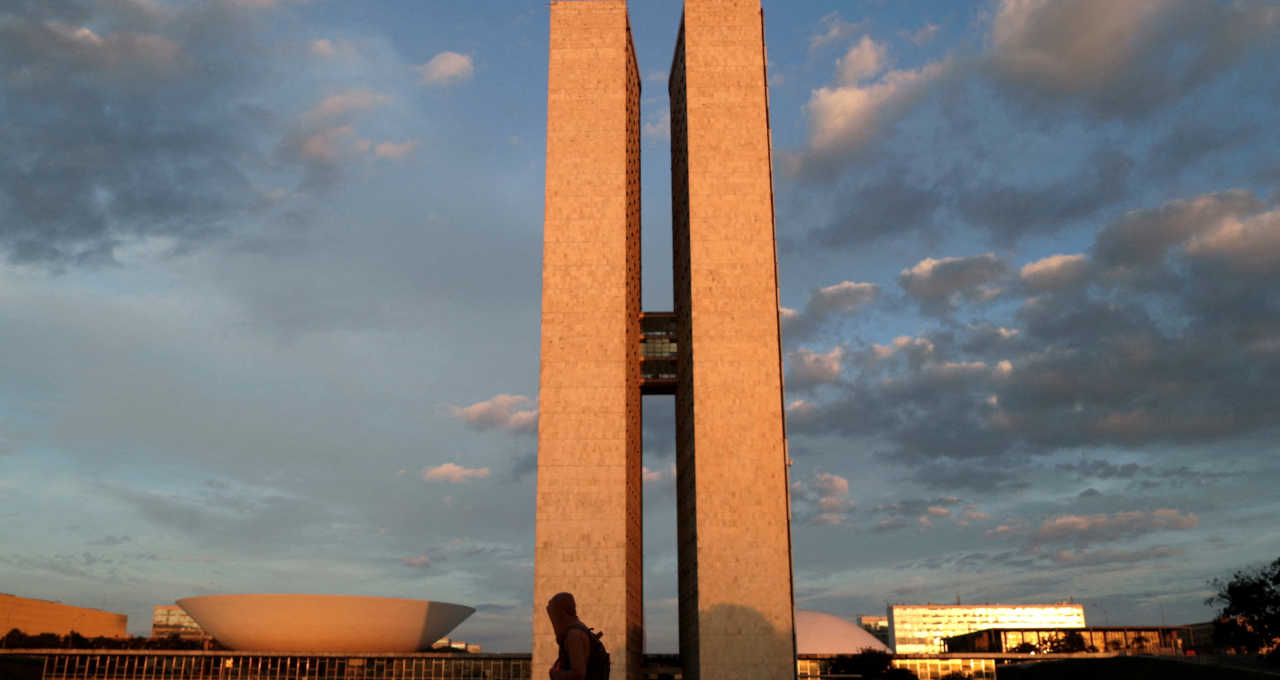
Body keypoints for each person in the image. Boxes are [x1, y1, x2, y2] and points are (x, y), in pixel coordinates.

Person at [545, 592, 607, 680]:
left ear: (561, 613)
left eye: (554, 613)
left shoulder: (574, 635)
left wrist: (555, 674)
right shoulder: (577, 631)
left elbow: (578, 674)